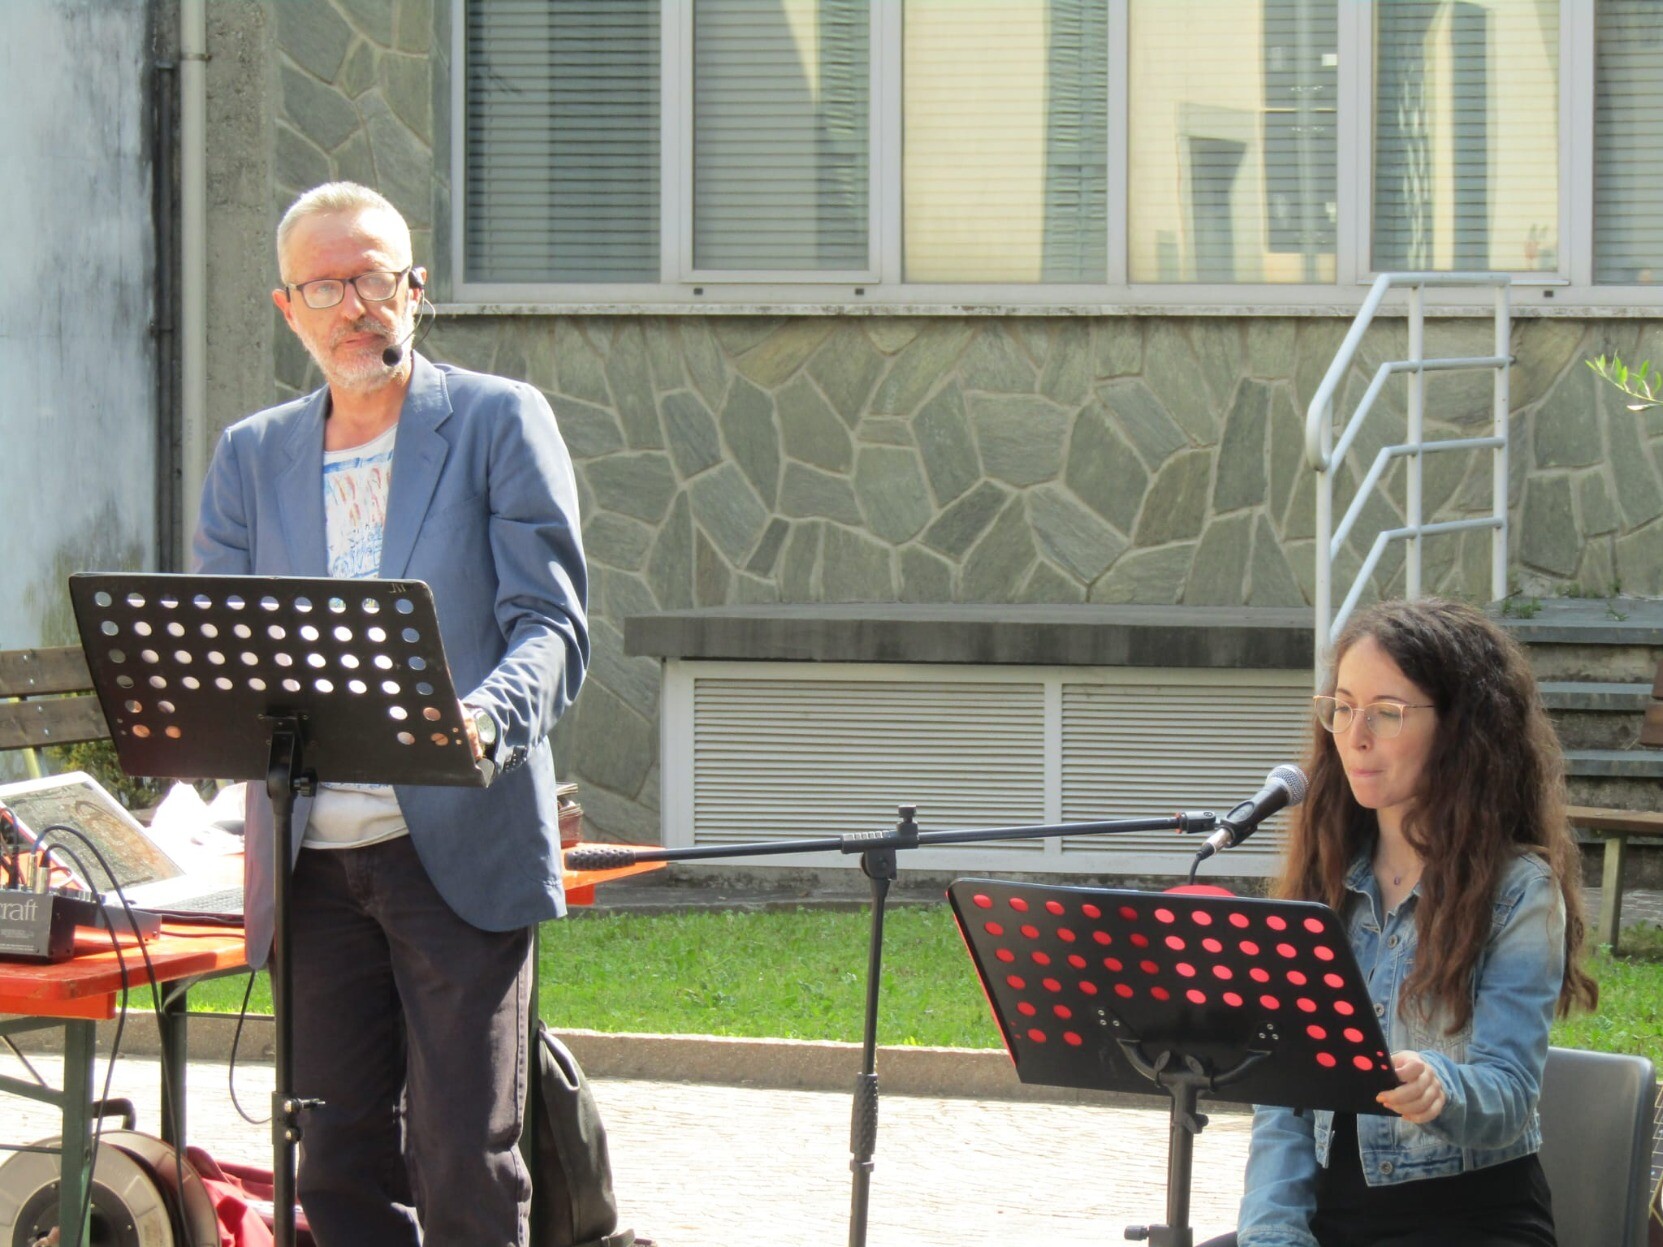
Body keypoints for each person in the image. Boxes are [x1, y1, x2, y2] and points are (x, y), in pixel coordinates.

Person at [193, 181, 588, 1246]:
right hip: (310, 866)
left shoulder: (498, 420)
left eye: (372, 277)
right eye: (324, 286)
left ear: (413, 290)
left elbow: (552, 624)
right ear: (289, 309)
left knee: (464, 1159)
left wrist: (485, 721)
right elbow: (223, 650)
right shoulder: (249, 457)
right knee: (335, 1165)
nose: (353, 305)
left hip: (454, 849)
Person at [1211, 598, 1597, 1247]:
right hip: (1331, 1215)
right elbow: (1284, 1103)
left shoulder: (1518, 889)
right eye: (1342, 707)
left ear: (1459, 730)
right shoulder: (1323, 878)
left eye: (1385, 713)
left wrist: (1440, 1087)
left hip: (1470, 1219)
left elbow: (1509, 1095)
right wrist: (1273, 1235)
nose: (1354, 736)